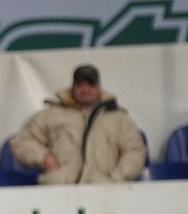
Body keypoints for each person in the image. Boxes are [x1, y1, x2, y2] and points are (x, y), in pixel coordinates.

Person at [10, 64, 145, 184]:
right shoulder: (50, 115)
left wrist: (116, 178)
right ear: (72, 88)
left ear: (99, 88)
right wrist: (44, 157)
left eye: (91, 84)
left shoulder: (120, 119)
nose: (85, 89)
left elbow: (135, 151)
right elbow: (21, 141)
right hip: (59, 188)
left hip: (106, 191)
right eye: (80, 84)